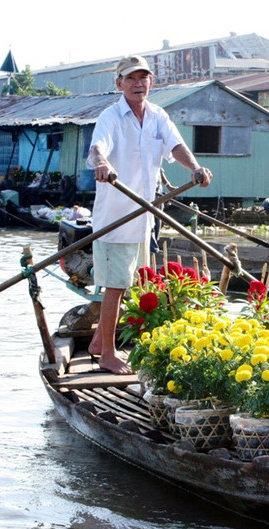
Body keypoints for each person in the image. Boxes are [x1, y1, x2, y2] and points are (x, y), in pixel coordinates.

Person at [87, 55, 212, 374]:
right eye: (131, 78)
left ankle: (99, 343)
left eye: (143, 78)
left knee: (132, 282)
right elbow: (98, 148)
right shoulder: (110, 117)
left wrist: (196, 168)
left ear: (151, 83)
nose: (138, 83)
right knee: (115, 286)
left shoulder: (157, 116)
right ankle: (108, 355)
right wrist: (102, 164)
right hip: (115, 217)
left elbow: (176, 147)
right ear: (119, 83)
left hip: (144, 216)